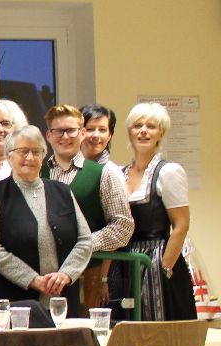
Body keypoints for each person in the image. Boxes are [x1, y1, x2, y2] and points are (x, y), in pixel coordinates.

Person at [0, 125, 92, 313]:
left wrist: (66, 274)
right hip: (12, 301)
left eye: (36, 152)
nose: (30, 157)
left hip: (62, 299)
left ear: (43, 156)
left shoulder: (63, 191)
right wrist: (31, 279)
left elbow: (85, 240)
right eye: (23, 151)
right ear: (9, 156)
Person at [41, 104, 133, 309]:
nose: (65, 136)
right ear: (49, 135)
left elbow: (123, 226)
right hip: (41, 276)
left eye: (71, 130)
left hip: (86, 274)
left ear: (82, 133)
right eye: (58, 131)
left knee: (83, 335)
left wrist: (84, 244)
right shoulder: (37, 173)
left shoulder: (104, 173)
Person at [115, 103, 194, 321]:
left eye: (151, 126)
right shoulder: (118, 174)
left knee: (158, 329)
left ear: (161, 133)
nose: (143, 131)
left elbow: (181, 225)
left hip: (157, 258)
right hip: (125, 260)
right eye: (137, 125)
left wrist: (164, 267)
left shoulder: (168, 172)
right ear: (129, 132)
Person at [80, 104, 118, 168]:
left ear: (109, 135)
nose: (96, 135)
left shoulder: (111, 173)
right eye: (90, 129)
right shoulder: (65, 167)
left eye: (102, 130)